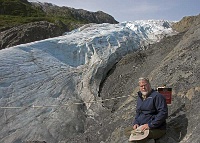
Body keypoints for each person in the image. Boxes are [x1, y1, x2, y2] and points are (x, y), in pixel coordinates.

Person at [125, 77, 168, 143]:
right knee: (127, 131)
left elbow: (163, 113)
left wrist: (150, 125)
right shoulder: (140, 97)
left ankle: (147, 139)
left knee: (134, 140)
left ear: (149, 85)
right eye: (141, 86)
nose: (143, 87)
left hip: (156, 128)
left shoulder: (157, 96)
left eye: (145, 85)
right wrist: (136, 123)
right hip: (142, 126)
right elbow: (138, 112)